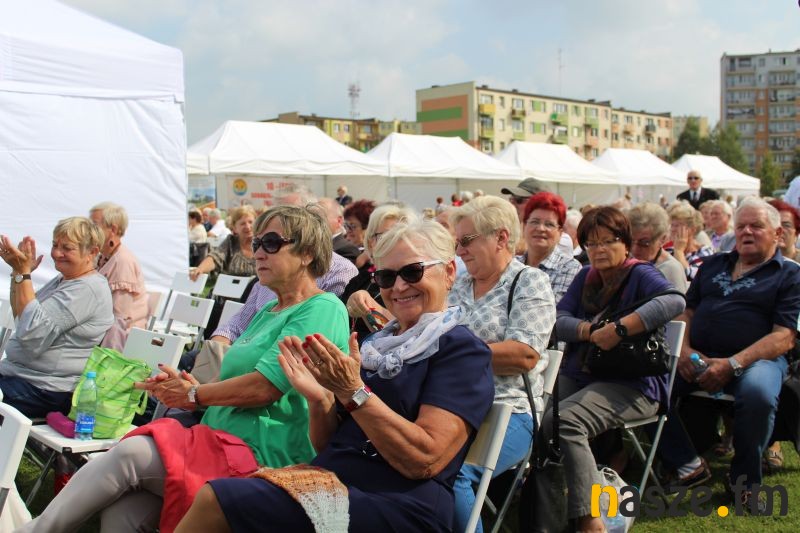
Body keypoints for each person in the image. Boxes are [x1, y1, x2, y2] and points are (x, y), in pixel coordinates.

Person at [21, 205, 351, 533]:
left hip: (259, 453)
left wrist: (195, 393)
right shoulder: (269, 310)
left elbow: (265, 388)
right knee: (125, 513)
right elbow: (236, 380)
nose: (258, 252)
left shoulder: (322, 308)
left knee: (131, 453)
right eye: (257, 242)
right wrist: (189, 388)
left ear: (307, 253)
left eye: (272, 243)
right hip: (216, 438)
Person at [174, 219, 495, 533]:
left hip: (400, 503)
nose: (399, 287)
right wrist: (320, 399)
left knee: (217, 499)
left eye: (413, 272)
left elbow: (424, 459)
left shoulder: (461, 350)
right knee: (212, 490)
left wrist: (354, 391)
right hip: (335, 481)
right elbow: (329, 444)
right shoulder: (375, 346)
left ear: (449, 272)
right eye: (386, 277)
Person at [656, 197, 800, 509]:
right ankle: (687, 462)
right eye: (741, 226)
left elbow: (784, 337)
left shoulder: (790, 274)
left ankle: (744, 480)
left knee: (759, 394)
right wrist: (685, 351)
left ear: (777, 234)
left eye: (756, 226)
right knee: (648, 382)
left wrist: (732, 363)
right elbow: (687, 312)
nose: (746, 232)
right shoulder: (713, 264)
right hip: (698, 356)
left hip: (757, 361)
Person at [548, 206, 685, 532]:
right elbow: (557, 319)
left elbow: (674, 301)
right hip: (583, 374)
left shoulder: (640, 274)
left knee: (566, 421)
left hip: (634, 382)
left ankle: (591, 519)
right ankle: (551, 501)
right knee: (535, 415)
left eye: (608, 241)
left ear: (625, 242)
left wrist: (621, 329)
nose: (599, 250)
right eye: (592, 243)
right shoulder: (585, 277)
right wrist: (590, 332)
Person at [448, 195, 556, 533]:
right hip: (453, 405)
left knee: (453, 474)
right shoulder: (458, 284)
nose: (459, 250)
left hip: (508, 410)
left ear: (501, 238)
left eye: (467, 240)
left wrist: (454, 353)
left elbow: (524, 355)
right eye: (456, 242)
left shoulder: (529, 281)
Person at [0, 217, 113, 418]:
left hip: (44, 389)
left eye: (67, 248)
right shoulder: (65, 279)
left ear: (92, 252)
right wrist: (18, 272)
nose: (57, 253)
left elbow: (30, 333)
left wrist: (24, 274)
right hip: (20, 376)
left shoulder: (87, 289)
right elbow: (22, 316)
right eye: (55, 245)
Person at [342, 205, 418, 343]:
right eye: (384, 236)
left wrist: (369, 307)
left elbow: (408, 331)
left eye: (399, 236)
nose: (392, 242)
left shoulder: (414, 279)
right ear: (370, 242)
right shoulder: (359, 280)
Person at [89, 202, 149, 350]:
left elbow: (119, 318)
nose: (89, 230)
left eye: (94, 225)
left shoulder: (122, 261)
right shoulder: (104, 256)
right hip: (103, 330)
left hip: (120, 341)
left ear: (113, 230)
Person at [518, 192, 582, 303]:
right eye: (535, 222)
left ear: (560, 232)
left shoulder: (570, 268)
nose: (541, 228)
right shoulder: (511, 265)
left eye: (549, 224)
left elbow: (555, 309)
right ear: (524, 226)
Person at [628, 202, 689, 292]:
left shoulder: (670, 270)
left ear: (663, 239)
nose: (634, 249)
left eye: (645, 243)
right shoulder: (624, 259)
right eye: (630, 240)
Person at [190, 206, 256, 281]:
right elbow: (215, 257)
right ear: (235, 228)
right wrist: (200, 269)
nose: (248, 226)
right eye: (243, 223)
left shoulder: (263, 242)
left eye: (250, 222)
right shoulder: (231, 242)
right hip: (231, 287)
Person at [666, 201, 714, 282]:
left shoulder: (705, 251)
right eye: (672, 225)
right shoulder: (669, 250)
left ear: (692, 229)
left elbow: (690, 277)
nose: (672, 229)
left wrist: (679, 251)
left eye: (677, 226)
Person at [318, 197, 360, 262]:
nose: (314, 221)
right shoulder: (311, 244)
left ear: (339, 221)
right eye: (312, 216)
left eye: (319, 217)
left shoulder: (347, 249)